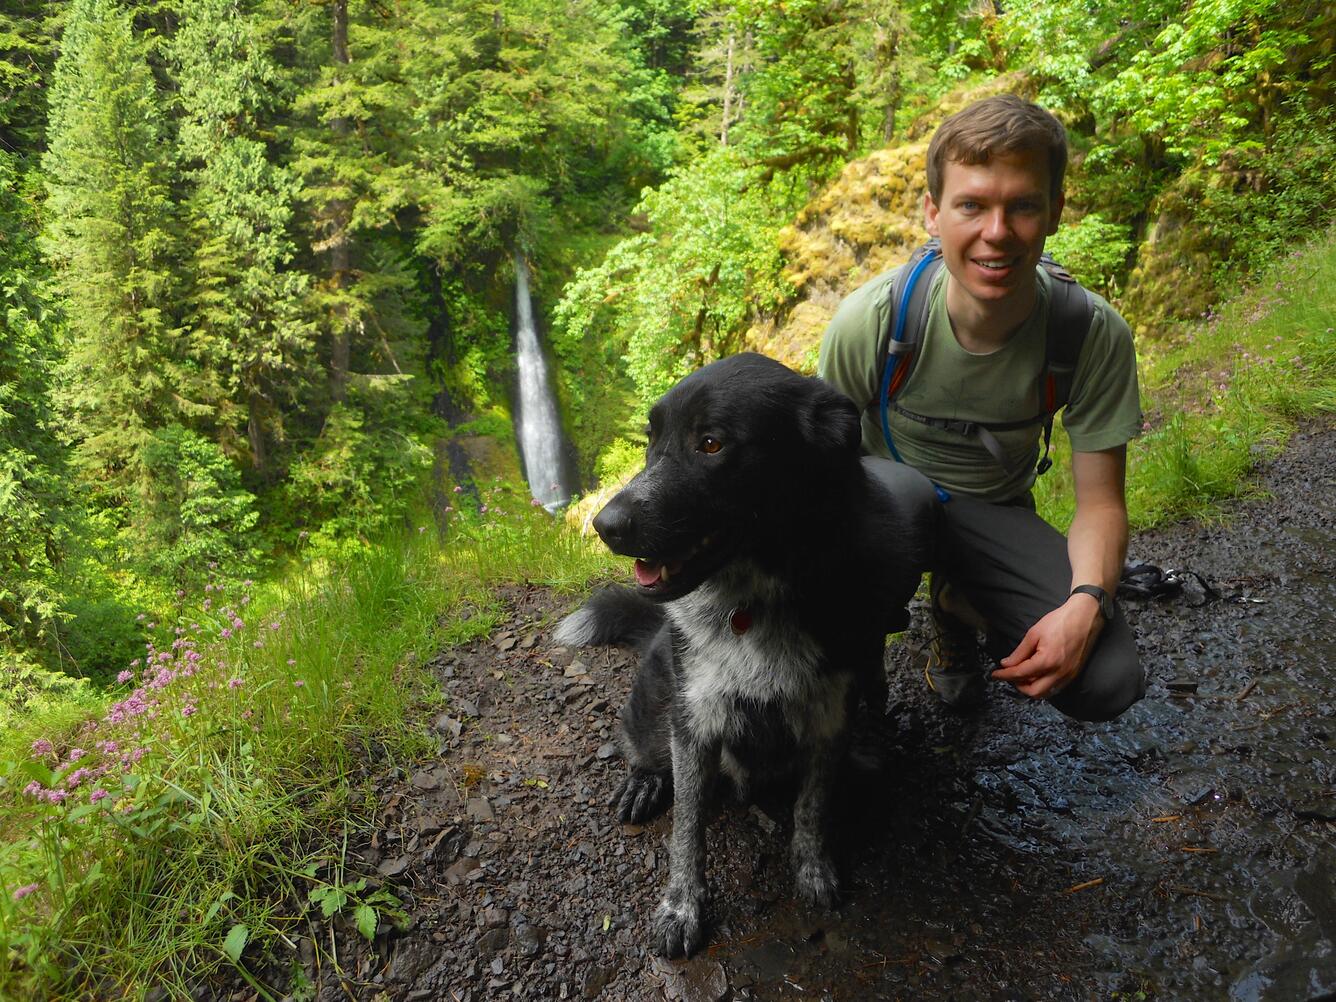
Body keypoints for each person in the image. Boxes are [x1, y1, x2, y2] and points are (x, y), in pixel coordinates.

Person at [818, 94, 1145, 722]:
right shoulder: (875, 319)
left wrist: (1085, 606)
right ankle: (859, 684)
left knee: (1106, 679)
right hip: (879, 509)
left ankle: (957, 601)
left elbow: (1102, 504)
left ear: (1055, 211)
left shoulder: (1089, 331)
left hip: (992, 514)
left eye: (1022, 205)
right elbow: (819, 466)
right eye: (972, 205)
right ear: (933, 214)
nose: (997, 232)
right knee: (902, 507)